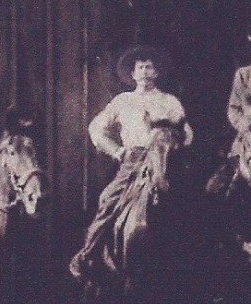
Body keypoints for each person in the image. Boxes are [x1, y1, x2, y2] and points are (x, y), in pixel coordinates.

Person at [69, 45, 193, 281]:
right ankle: (87, 253)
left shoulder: (170, 101)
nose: (145, 72)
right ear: (133, 74)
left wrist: (175, 144)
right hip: (134, 161)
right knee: (108, 199)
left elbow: (187, 132)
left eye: (149, 67)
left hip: (166, 160)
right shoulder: (123, 101)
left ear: (157, 72)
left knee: (189, 201)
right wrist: (117, 151)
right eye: (140, 68)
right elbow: (96, 128)